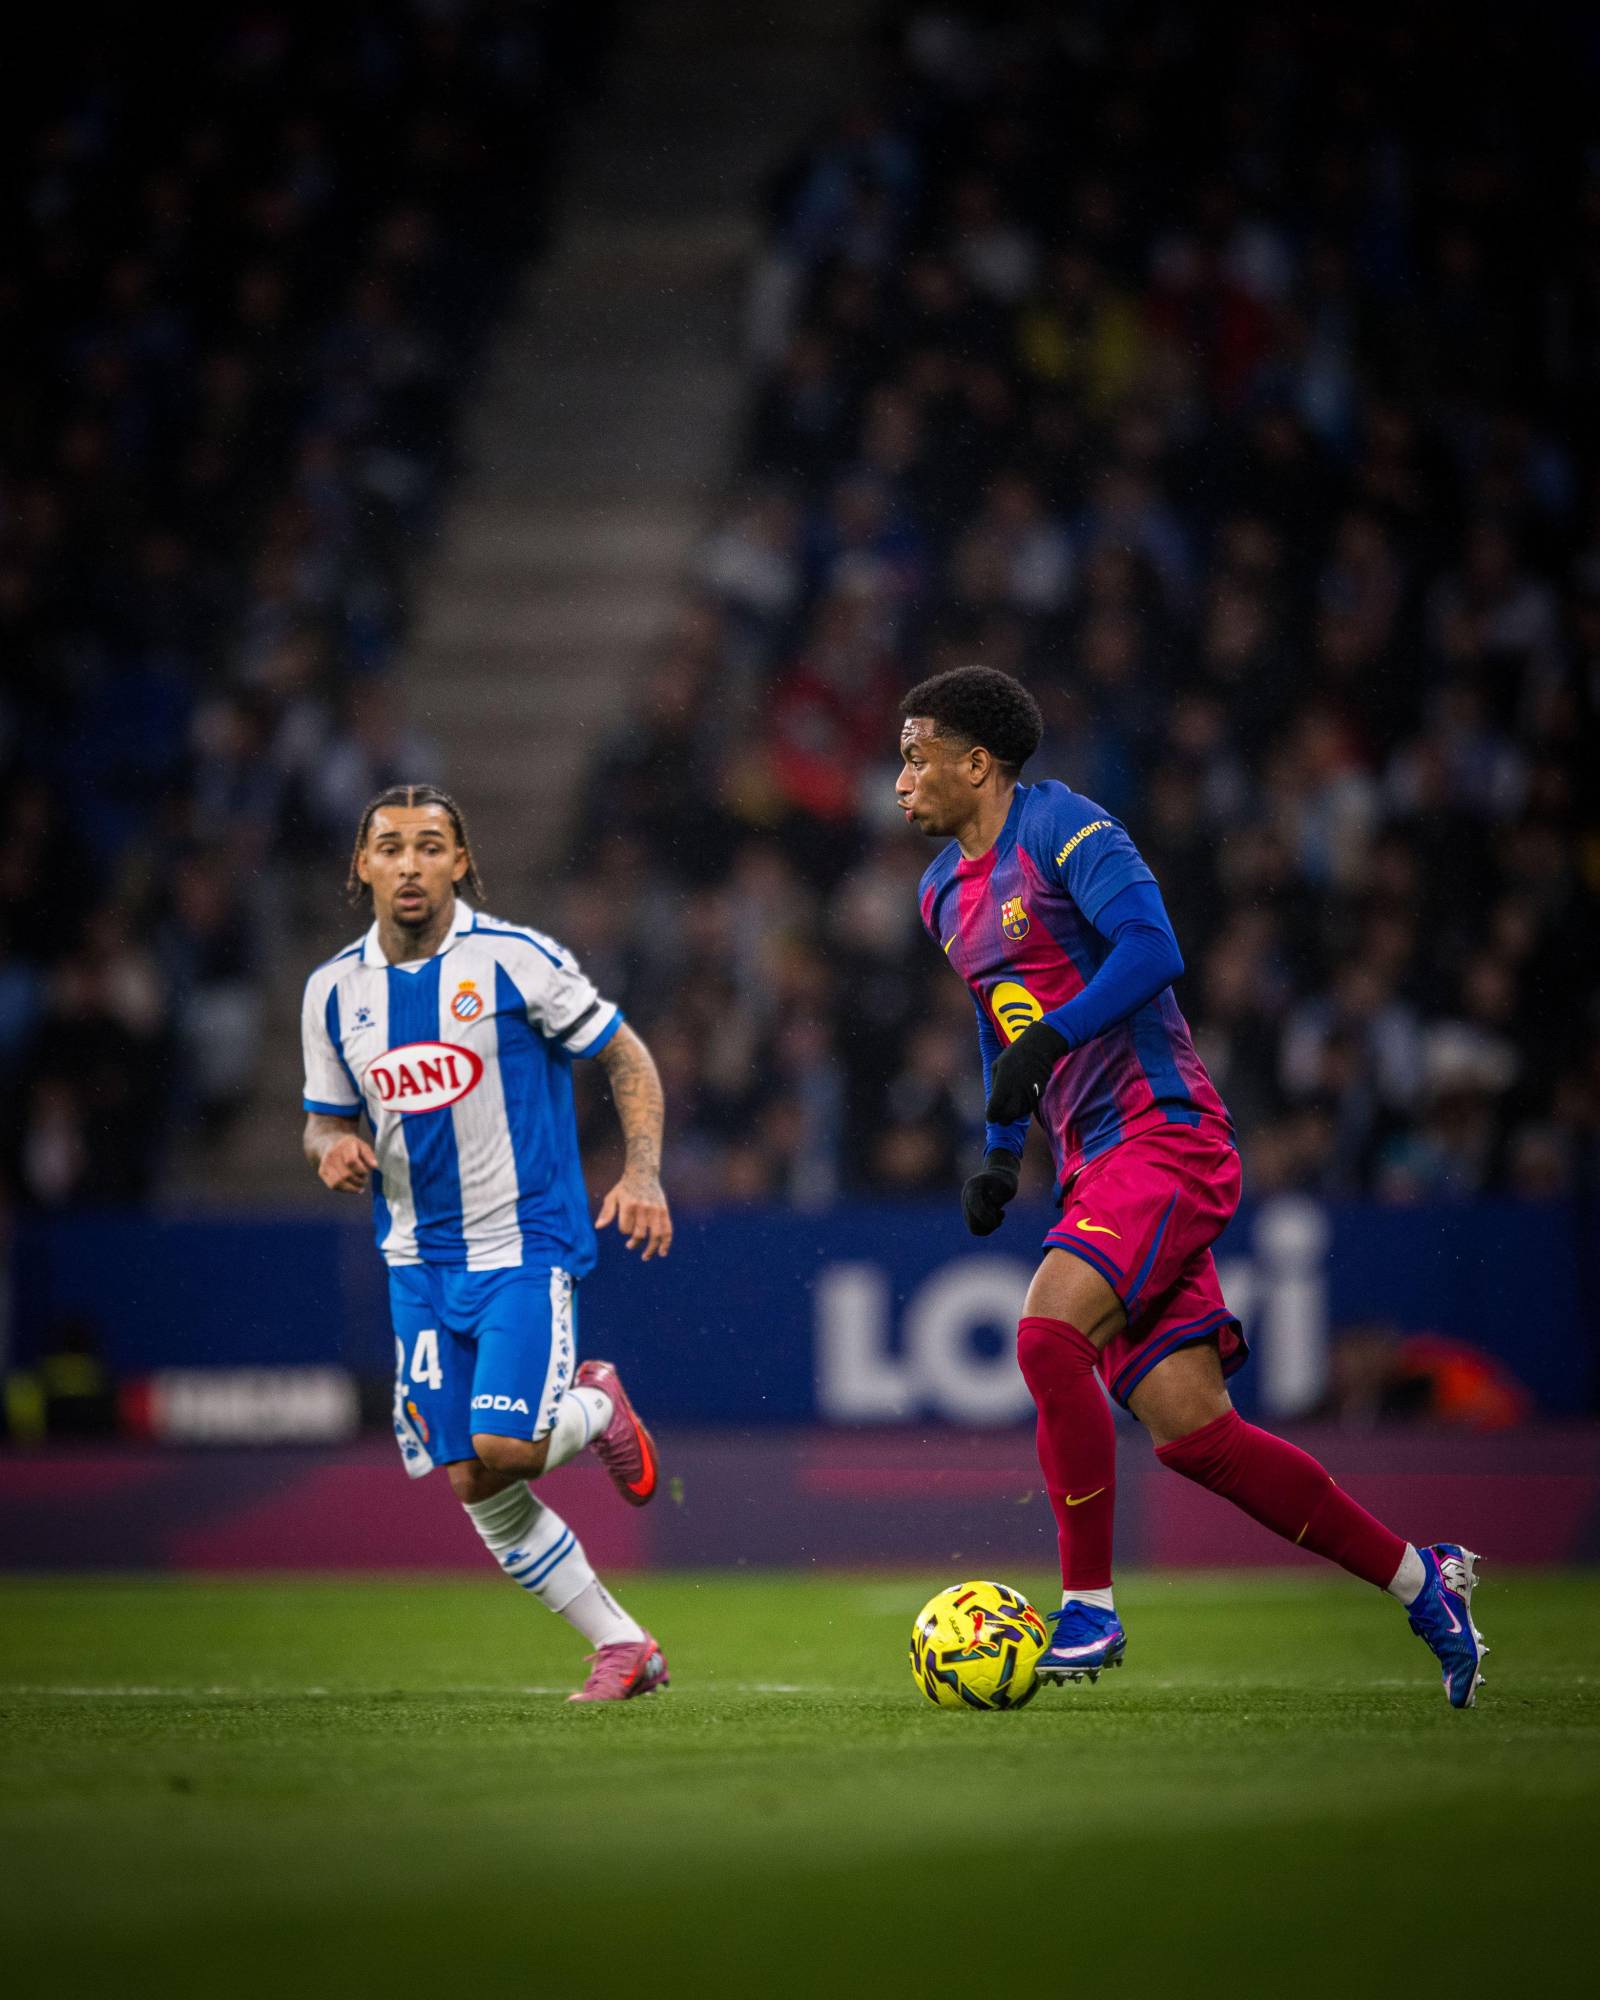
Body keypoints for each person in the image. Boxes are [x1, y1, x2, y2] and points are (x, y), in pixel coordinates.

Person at [897, 667, 1489, 1708]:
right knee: (1195, 1434)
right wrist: (998, 1150)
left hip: (1165, 1135)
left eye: (915, 756)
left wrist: (1054, 1040)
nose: (900, 780)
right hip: (1091, 1161)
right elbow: (1004, 1021)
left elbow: (1153, 950)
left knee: (1044, 1337)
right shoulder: (940, 892)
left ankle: (1088, 1608)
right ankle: (1419, 1579)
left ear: (977, 763)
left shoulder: (1068, 829)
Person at [301, 784, 672, 1702]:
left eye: (431, 846)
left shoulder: (516, 960)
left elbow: (624, 1053)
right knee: (471, 1476)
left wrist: (642, 1173)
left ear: (460, 862)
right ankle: (623, 1645)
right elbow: (323, 1121)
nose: (410, 864)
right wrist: (330, 1148)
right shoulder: (331, 991)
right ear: (362, 865)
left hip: (523, 1246)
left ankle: (597, 1407)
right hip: (414, 1263)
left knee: (505, 1447)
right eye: (391, 847)